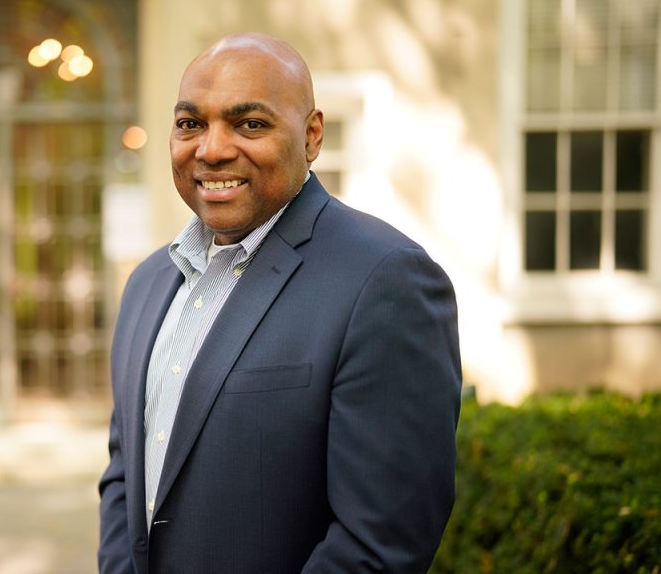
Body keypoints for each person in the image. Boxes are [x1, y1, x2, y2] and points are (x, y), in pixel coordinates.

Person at [98, 32, 461, 573]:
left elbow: (381, 544)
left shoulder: (385, 282)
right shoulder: (148, 284)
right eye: (190, 124)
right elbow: (126, 477)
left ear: (312, 136)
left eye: (250, 124)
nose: (212, 148)